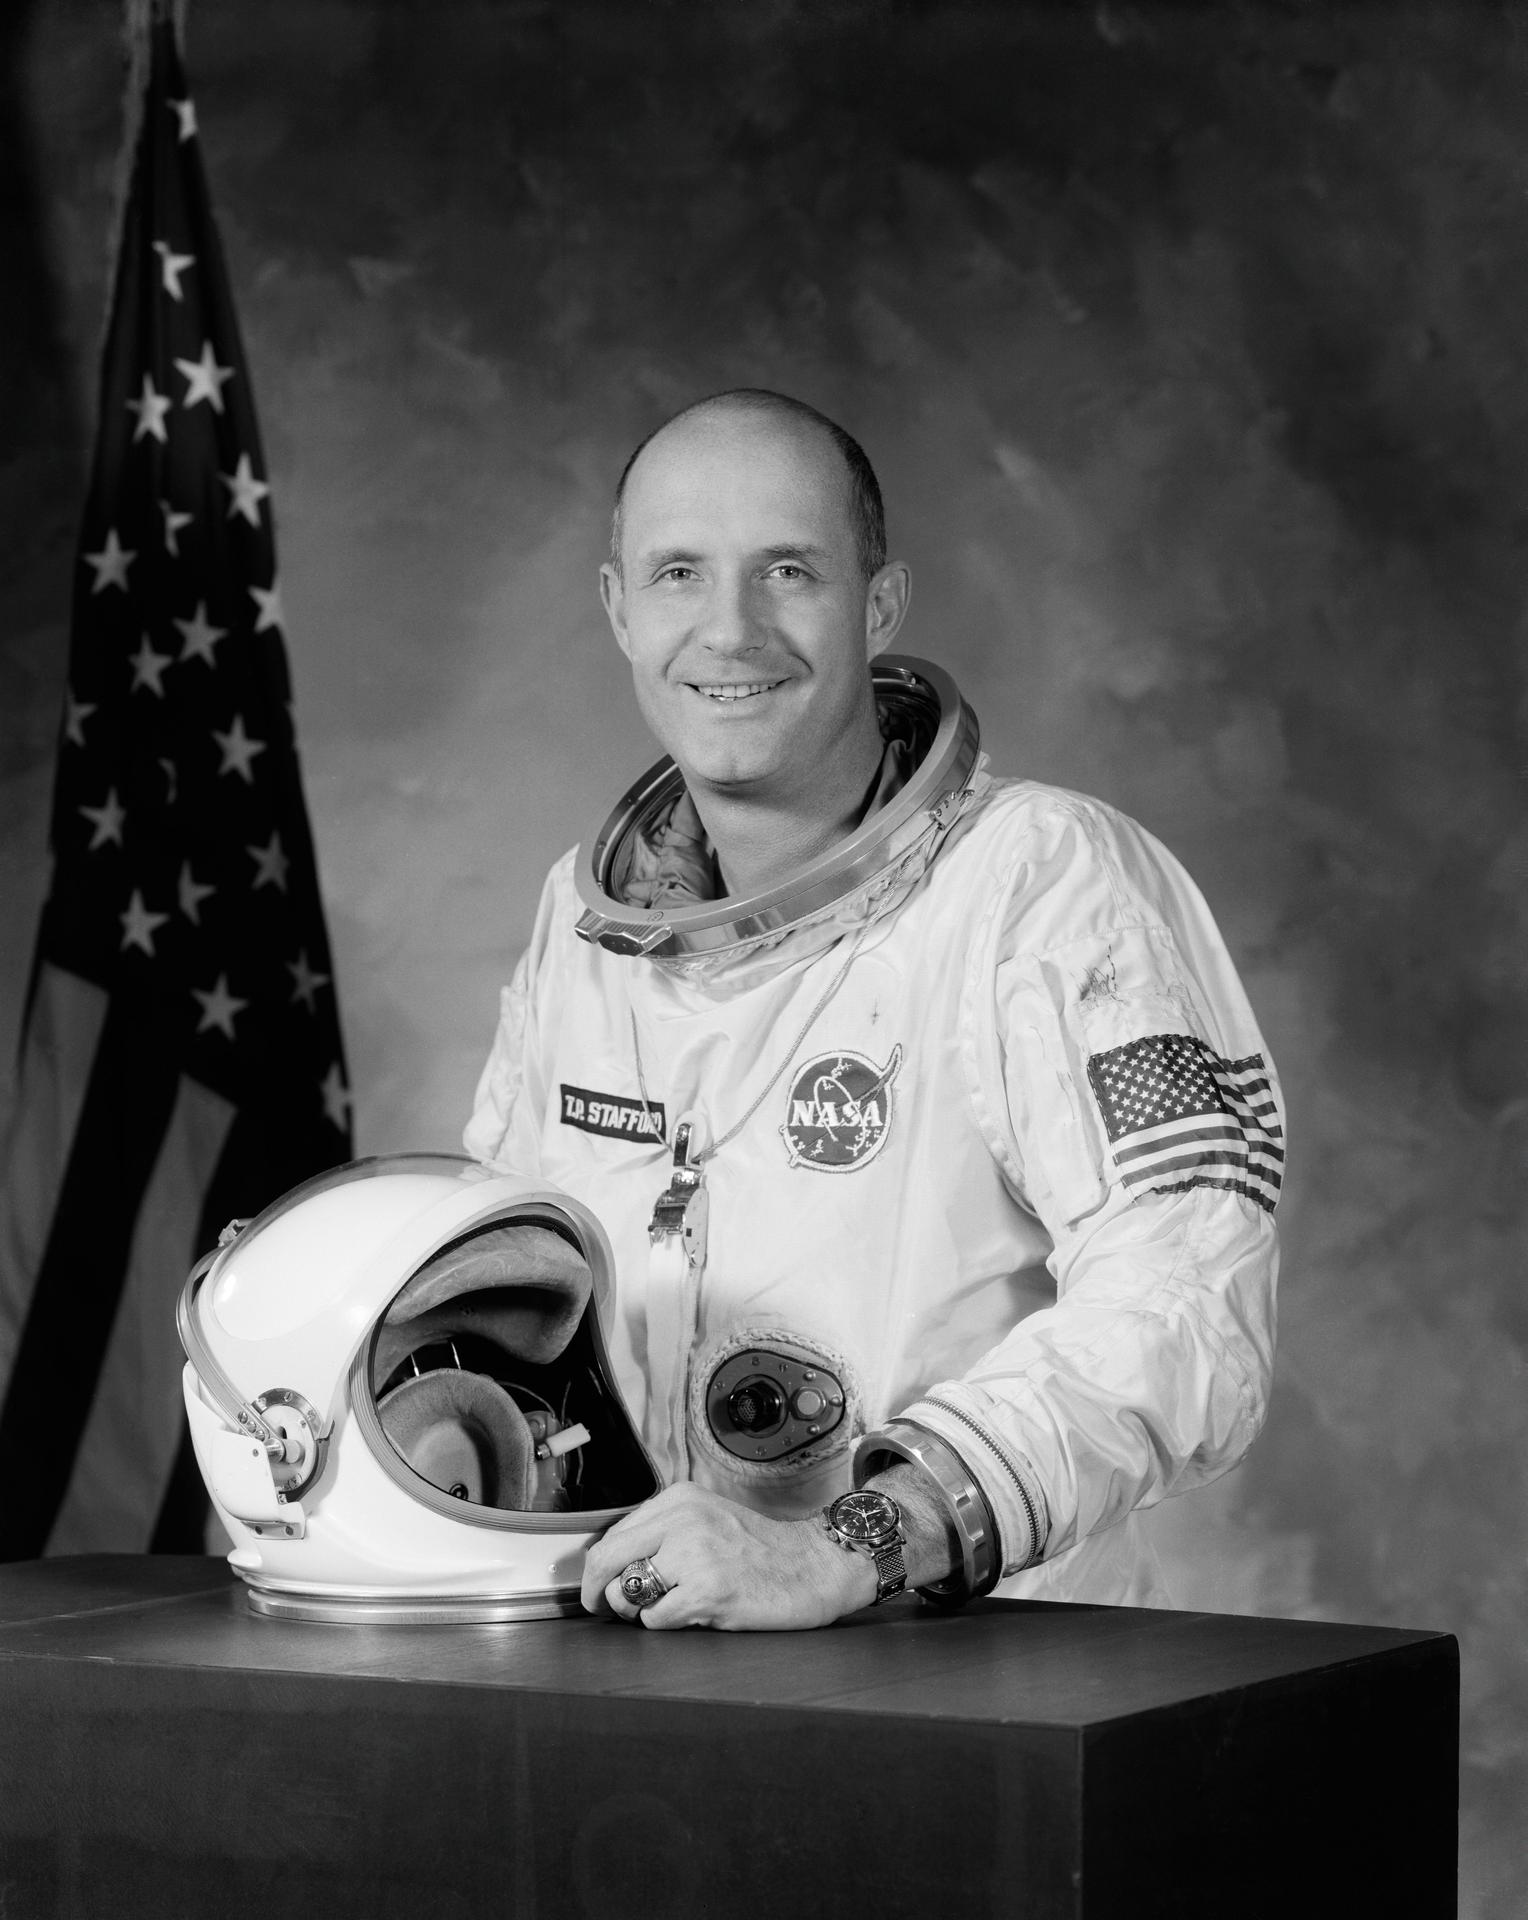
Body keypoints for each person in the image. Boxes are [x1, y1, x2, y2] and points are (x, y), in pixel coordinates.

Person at [464, 389, 1281, 1630]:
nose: (728, 631)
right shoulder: (585, 937)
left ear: (878, 605)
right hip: (639, 1681)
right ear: (621, 610)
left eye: (787, 570)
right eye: (679, 573)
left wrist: (859, 1541)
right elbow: (501, 1283)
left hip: (975, 1680)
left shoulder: (1042, 884)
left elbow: (1185, 1305)